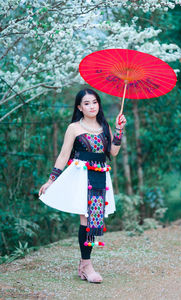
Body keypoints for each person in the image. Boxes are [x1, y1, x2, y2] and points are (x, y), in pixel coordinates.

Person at [38, 88, 126, 283]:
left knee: (95, 221)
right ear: (79, 107)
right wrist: (51, 179)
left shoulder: (104, 125)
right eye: (87, 103)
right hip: (80, 178)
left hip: (100, 177)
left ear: (99, 104)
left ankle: (84, 263)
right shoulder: (74, 128)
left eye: (94, 102)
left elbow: (114, 151)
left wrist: (119, 130)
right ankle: (87, 265)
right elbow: (63, 155)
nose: (91, 106)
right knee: (86, 220)